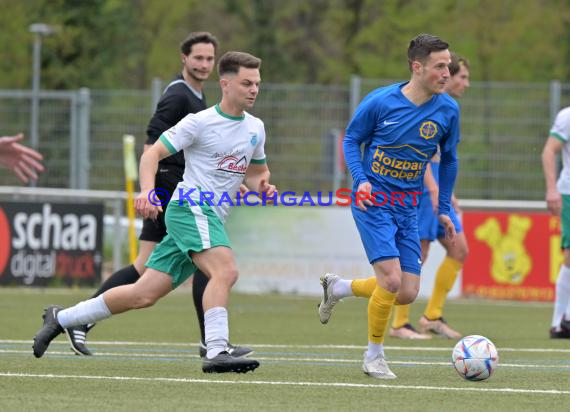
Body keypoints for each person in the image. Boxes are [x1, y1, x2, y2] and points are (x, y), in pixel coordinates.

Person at [33, 51, 275, 374]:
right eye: (247, 83)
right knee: (225, 271)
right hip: (190, 206)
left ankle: (61, 318)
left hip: (209, 215)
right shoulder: (199, 122)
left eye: (257, 83)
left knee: (142, 294)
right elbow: (152, 155)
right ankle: (217, 350)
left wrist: (264, 187)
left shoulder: (256, 129)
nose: (254, 90)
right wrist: (148, 191)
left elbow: (258, 174)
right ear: (226, 84)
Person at [318, 34, 460, 379]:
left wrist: (444, 208)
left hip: (408, 204)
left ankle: (339, 287)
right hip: (374, 200)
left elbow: (450, 160)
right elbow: (352, 139)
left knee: (407, 292)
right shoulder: (380, 102)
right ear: (417, 67)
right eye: (440, 66)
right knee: (393, 280)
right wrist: (360, 179)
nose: (447, 73)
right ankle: (374, 356)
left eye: (449, 66)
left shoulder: (448, 110)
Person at [389, 53, 471, 340]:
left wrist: (449, 194)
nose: (464, 82)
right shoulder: (421, 103)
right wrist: (434, 190)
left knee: (459, 249)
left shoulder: (448, 109)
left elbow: (445, 158)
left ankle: (432, 316)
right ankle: (399, 324)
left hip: (436, 184)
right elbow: (416, 154)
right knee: (418, 253)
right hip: (422, 187)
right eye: (461, 76)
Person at [542, 105, 570, 339]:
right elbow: (549, 151)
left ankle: (563, 321)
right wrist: (552, 189)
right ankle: (562, 321)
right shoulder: (567, 116)